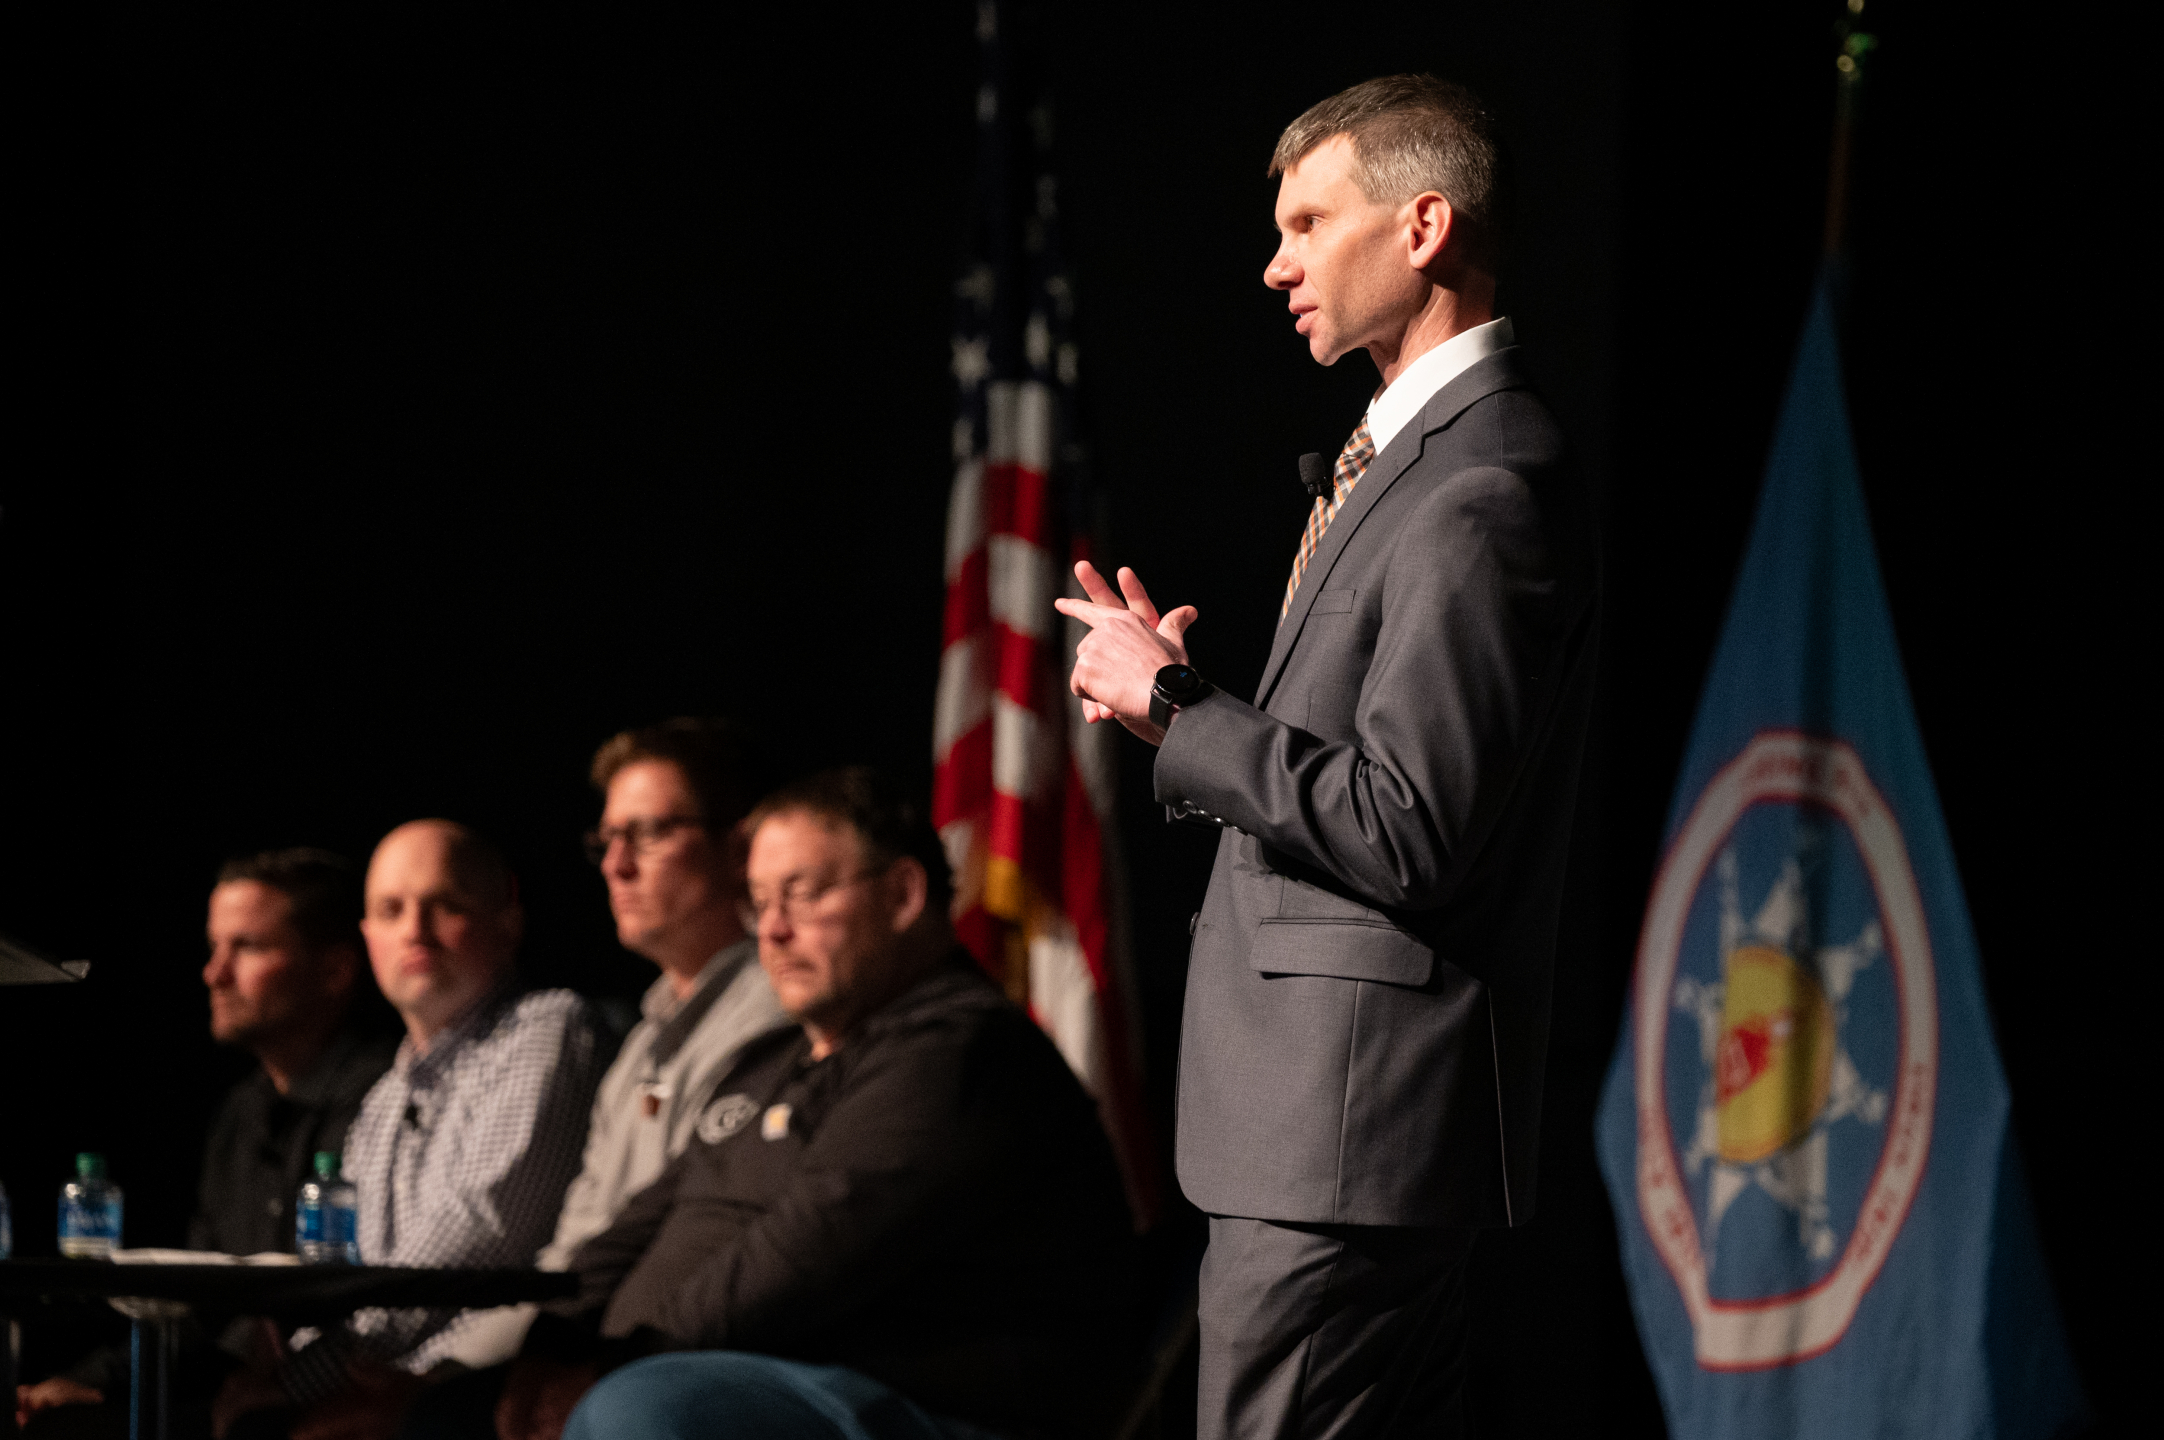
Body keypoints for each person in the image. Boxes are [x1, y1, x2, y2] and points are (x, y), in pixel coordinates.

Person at [1056, 75, 1598, 1437]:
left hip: (1344, 1146)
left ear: (1422, 227)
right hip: (1335, 1140)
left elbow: (1410, 825)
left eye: (1308, 221)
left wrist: (1182, 706)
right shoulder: (1412, 466)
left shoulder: (1480, 492)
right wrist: (1178, 705)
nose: (1274, 261)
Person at [404, 767, 1137, 1440]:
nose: (774, 931)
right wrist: (548, 1352)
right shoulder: (771, 1060)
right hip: (731, 1372)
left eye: (804, 894)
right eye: (759, 903)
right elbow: (636, 1228)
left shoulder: (958, 1050)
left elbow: (802, 1255)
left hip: (923, 1404)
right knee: (442, 1418)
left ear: (904, 894)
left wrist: (612, 1366)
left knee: (642, 1412)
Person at [213, 820, 606, 1440]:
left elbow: (480, 1239)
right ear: (368, 937)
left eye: (444, 905)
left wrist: (304, 1382)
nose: (415, 931)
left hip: (493, 1377)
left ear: (508, 920)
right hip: (389, 1378)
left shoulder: (545, 1029)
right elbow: (355, 1271)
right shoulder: (386, 1095)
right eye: (391, 911)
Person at [433, 719, 790, 1370]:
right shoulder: (639, 1049)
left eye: (650, 834)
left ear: (741, 847)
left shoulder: (781, 1018)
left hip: (682, 1363)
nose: (616, 866)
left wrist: (525, 1374)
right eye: (607, 840)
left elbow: (691, 1252)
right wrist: (442, 1374)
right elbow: (577, 1253)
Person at [16, 849, 396, 1440]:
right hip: (236, 1396)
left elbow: (384, 1310)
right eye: (214, 947)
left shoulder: (389, 1103)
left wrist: (286, 1389)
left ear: (335, 971)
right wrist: (88, 1379)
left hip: (349, 1398)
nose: (214, 973)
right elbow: (197, 1302)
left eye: (245, 948)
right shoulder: (240, 1113)